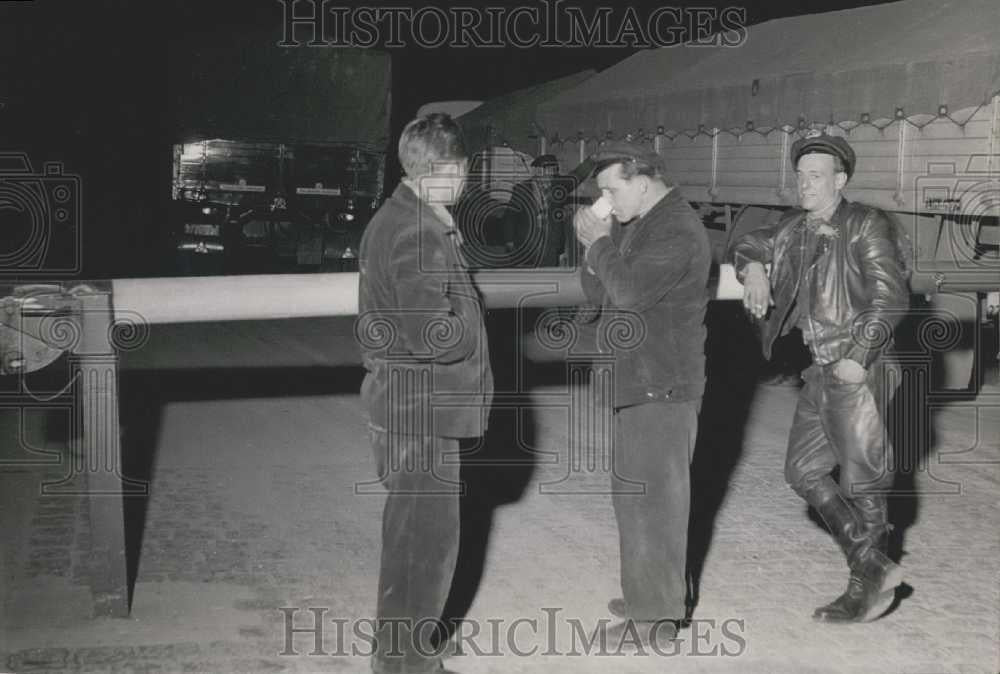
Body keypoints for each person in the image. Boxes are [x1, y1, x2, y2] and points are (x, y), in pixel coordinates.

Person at [732, 132, 910, 622]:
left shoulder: (862, 224)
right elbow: (747, 241)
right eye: (800, 177)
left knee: (864, 480)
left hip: (855, 368)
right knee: (802, 471)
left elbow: (891, 296)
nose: (805, 185)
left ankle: (865, 589)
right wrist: (754, 272)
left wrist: (861, 354)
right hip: (819, 369)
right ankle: (873, 562)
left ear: (840, 180)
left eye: (816, 177)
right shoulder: (795, 228)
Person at [355, 113, 493, 673]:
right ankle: (407, 664)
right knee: (425, 543)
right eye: (462, 173)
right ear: (449, 169)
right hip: (421, 408)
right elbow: (431, 333)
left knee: (412, 533)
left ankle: (406, 644)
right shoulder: (417, 231)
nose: (465, 184)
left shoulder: (398, 217)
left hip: (403, 400)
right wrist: (468, 314)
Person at [573, 141, 711, 649]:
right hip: (640, 379)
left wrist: (599, 245)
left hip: (663, 384)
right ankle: (649, 595)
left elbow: (628, 291)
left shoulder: (675, 228)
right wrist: (593, 253)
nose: (605, 200)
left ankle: (654, 623)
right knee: (635, 498)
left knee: (655, 502)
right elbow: (599, 297)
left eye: (611, 188)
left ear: (643, 181)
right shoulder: (641, 228)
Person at [503, 154, 569, 267]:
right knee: (527, 281)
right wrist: (509, 241)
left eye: (554, 170)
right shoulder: (521, 189)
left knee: (548, 280)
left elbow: (558, 222)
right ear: (538, 171)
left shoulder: (557, 190)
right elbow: (510, 217)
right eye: (549, 170)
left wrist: (561, 249)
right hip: (526, 245)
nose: (552, 173)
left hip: (550, 247)